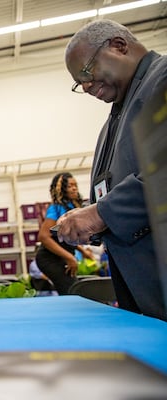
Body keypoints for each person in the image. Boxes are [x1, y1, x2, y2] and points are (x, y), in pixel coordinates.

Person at [59, 19, 167, 320]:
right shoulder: (118, 112)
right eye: (80, 83)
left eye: (87, 73)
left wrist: (101, 213)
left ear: (118, 46)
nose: (87, 86)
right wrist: (93, 219)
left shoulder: (162, 78)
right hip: (140, 281)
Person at [36, 172, 95, 295]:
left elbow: (61, 235)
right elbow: (44, 236)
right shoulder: (56, 208)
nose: (74, 188)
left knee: (72, 290)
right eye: (69, 186)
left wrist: (82, 251)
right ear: (61, 189)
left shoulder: (72, 207)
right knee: (72, 291)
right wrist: (70, 257)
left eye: (75, 185)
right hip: (49, 259)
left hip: (60, 257)